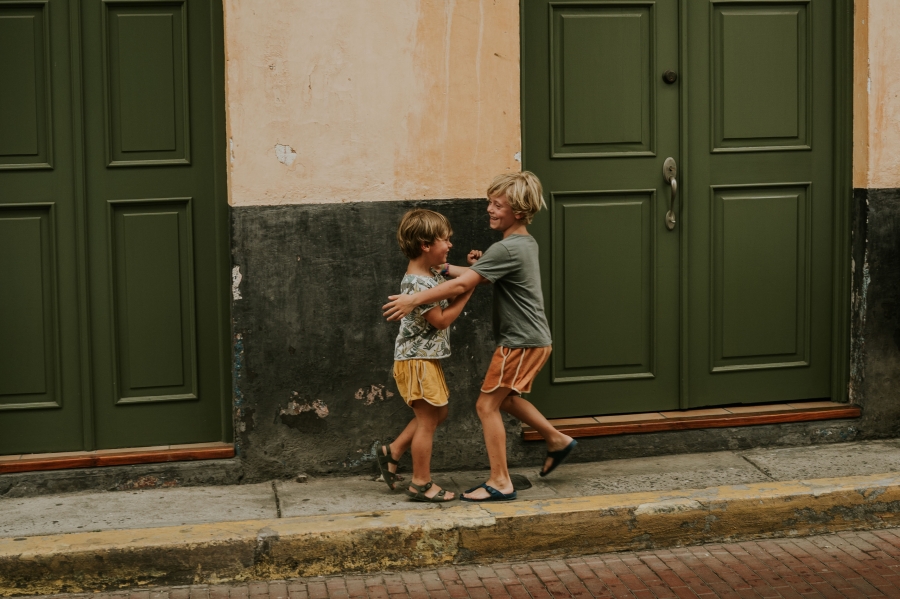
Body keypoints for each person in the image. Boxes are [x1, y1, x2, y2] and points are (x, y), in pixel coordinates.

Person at [383, 172, 576, 502]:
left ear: (518, 210)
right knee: (507, 399)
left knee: (486, 406)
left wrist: (413, 299)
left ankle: (501, 481)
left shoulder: (507, 248)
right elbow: (472, 276)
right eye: (490, 202)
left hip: (520, 341)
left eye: (497, 205)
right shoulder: (523, 243)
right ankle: (555, 439)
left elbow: (464, 284)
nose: (489, 209)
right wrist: (452, 269)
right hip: (532, 339)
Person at [376, 209, 478, 502]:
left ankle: (392, 451)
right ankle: (420, 483)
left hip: (423, 359)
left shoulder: (434, 271)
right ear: (425, 245)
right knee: (427, 421)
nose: (450, 245)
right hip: (416, 362)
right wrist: (466, 291)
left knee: (438, 413)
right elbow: (442, 320)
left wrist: (471, 271)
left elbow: (472, 277)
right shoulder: (416, 284)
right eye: (445, 240)